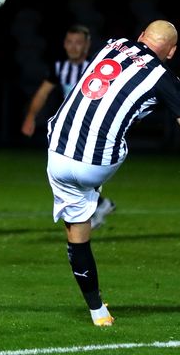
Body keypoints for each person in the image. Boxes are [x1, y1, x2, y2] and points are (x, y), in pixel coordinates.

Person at [46, 20, 180, 326]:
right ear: (172, 52)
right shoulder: (164, 78)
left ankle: (98, 311)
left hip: (56, 151)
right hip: (96, 163)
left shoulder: (113, 43)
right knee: (115, 143)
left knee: (76, 232)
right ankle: (96, 199)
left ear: (139, 37)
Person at [21, 25, 116, 229]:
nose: (73, 47)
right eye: (70, 42)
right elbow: (42, 93)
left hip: (97, 127)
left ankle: (95, 208)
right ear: (64, 45)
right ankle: (99, 205)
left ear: (87, 45)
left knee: (78, 170)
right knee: (69, 171)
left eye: (78, 42)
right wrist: (30, 116)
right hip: (72, 128)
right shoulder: (59, 69)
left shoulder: (97, 67)